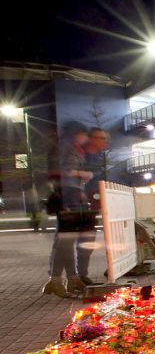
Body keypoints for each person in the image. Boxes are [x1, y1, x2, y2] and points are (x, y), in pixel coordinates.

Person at [42, 128, 92, 298]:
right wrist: (83, 174)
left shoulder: (72, 149)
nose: (86, 138)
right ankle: (58, 280)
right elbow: (67, 172)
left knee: (66, 240)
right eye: (84, 134)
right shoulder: (66, 148)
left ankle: (70, 279)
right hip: (66, 196)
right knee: (65, 240)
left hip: (69, 194)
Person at [76, 127, 110, 285]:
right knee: (87, 237)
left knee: (111, 233)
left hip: (100, 198)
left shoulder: (100, 157)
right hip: (86, 201)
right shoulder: (83, 156)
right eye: (101, 138)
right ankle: (81, 274)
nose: (104, 141)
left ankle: (113, 266)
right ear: (92, 138)